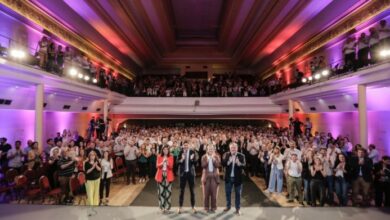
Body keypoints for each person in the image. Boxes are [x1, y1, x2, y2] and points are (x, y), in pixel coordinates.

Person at [222, 142, 246, 215]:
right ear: (229, 148)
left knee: (238, 194)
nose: (233, 149)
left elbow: (244, 165)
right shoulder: (226, 154)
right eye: (232, 147)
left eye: (234, 147)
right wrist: (228, 162)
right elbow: (223, 163)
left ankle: (237, 208)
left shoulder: (241, 156)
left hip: (238, 179)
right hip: (228, 178)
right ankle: (228, 206)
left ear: (237, 148)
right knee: (228, 193)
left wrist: (239, 164)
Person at [177, 141, 197, 214]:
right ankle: (180, 207)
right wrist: (182, 159)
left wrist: (192, 159)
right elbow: (177, 162)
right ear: (183, 146)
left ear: (189, 145)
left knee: (192, 191)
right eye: (184, 145)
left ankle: (193, 206)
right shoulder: (180, 152)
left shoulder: (192, 152)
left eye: (187, 145)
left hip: (190, 174)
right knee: (181, 191)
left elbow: (196, 163)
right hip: (183, 174)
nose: (186, 146)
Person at [201, 144, 221, 213]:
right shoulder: (204, 157)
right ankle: (206, 207)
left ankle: (213, 207)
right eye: (209, 149)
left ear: (214, 150)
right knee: (206, 193)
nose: (210, 150)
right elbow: (203, 165)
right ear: (207, 150)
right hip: (206, 177)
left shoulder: (217, 156)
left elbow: (218, 165)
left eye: (212, 149)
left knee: (214, 193)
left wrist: (213, 159)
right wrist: (208, 159)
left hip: (214, 177)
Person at [155, 145, 174, 213]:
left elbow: (171, 167)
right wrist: (162, 162)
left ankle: (167, 208)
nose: (165, 150)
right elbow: (157, 165)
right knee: (161, 192)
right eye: (164, 149)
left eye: (167, 149)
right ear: (162, 150)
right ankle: (162, 207)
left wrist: (167, 162)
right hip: (160, 175)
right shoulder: (159, 156)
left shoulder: (171, 156)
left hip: (168, 175)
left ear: (168, 150)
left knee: (168, 192)